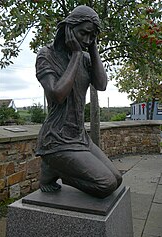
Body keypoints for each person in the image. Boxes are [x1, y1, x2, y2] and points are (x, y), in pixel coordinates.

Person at [35, 5, 122, 198]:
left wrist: (93, 48)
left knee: (117, 179)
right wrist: (75, 54)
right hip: (56, 139)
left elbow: (101, 85)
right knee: (106, 185)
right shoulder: (46, 55)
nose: (86, 40)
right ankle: (54, 168)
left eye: (92, 36)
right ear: (68, 27)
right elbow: (57, 95)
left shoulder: (86, 56)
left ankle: (57, 169)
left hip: (80, 137)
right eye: (83, 33)